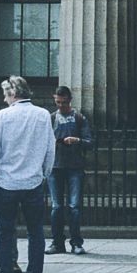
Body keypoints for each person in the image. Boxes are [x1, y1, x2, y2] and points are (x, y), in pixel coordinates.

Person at [0, 76, 55, 273]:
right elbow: (50, 148)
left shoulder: (3, 116)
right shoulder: (42, 115)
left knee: (4, 230)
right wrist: (44, 173)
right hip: (33, 181)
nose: (4, 99)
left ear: (13, 93)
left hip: (6, 182)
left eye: (5, 94)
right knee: (35, 230)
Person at [46, 86, 93, 255]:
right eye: (58, 102)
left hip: (75, 167)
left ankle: (76, 242)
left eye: (64, 103)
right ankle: (57, 242)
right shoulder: (51, 118)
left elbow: (90, 142)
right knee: (57, 207)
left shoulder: (79, 118)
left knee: (74, 206)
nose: (60, 106)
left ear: (69, 100)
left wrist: (77, 140)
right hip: (55, 166)